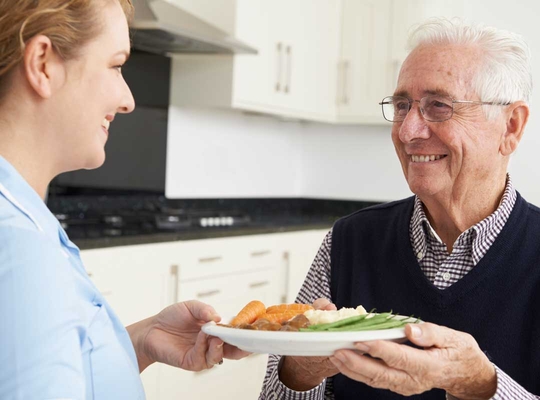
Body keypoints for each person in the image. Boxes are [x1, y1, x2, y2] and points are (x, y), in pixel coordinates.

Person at [260, 18, 540, 399]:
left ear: (511, 126)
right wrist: (301, 369)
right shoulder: (348, 242)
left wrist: (479, 385)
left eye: (438, 106)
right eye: (402, 105)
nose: (407, 131)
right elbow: (274, 394)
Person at [0, 1, 246, 399]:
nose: (128, 99)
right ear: (43, 64)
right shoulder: (19, 247)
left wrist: (140, 340)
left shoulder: (24, 224)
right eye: (116, 65)